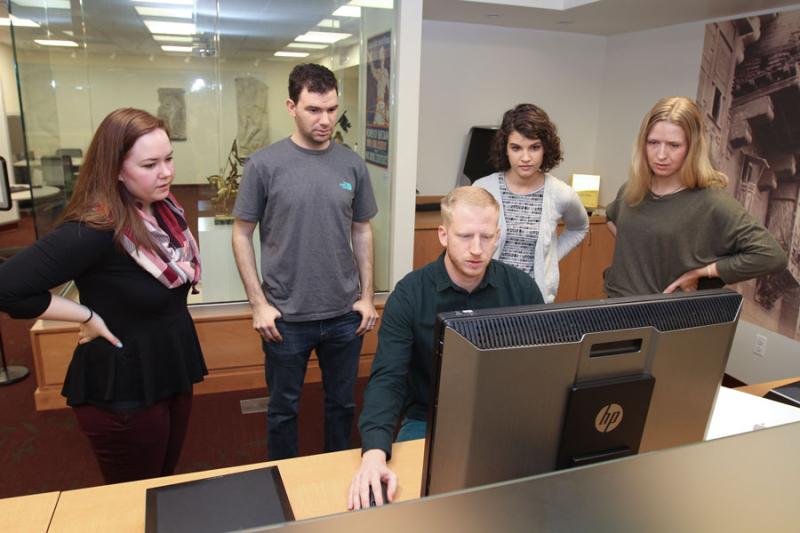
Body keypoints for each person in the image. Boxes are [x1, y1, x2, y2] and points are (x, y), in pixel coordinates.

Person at [0, 108, 207, 484]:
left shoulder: (166, 211)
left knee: (163, 482)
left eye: (169, 159)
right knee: (134, 495)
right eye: (150, 164)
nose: (166, 172)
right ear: (115, 168)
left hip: (169, 365)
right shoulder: (97, 227)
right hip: (125, 386)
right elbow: (8, 288)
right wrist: (86, 316)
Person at [348, 187, 543, 509]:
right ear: (443, 234)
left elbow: (542, 372)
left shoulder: (522, 289)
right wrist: (373, 454)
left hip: (502, 421)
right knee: (413, 505)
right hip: (427, 420)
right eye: (465, 236)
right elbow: (388, 379)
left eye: (487, 237)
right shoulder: (410, 294)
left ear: (498, 236)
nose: (477, 249)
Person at [232, 63, 378, 460]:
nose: (326, 119)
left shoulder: (351, 164)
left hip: (344, 314)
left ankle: (336, 474)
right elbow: (241, 234)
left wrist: (367, 297)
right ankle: (284, 477)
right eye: (314, 109)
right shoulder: (264, 165)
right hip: (285, 318)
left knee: (343, 405)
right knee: (283, 410)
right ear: (291, 106)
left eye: (331, 109)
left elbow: (362, 229)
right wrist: (258, 305)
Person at [604, 96, 787, 297]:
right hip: (613, 305)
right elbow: (611, 219)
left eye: (674, 145)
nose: (661, 154)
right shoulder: (631, 189)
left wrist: (703, 272)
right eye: (653, 142)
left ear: (692, 149)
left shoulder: (712, 202)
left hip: (661, 316)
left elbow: (772, 255)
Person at [474, 103, 588, 303]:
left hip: (535, 298)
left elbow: (579, 227)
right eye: (516, 148)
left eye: (534, 147)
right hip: (487, 297)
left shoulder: (561, 193)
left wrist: (550, 260)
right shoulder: (483, 189)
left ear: (546, 149)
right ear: (505, 149)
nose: (525, 158)